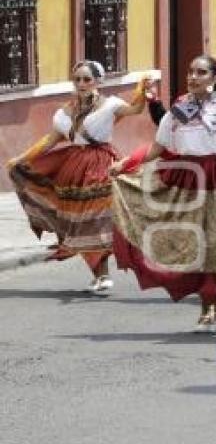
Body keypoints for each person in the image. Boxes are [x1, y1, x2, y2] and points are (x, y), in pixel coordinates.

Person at [110, 55, 216, 334]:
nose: (193, 77)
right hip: (184, 180)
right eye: (190, 72)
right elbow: (158, 147)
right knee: (190, 243)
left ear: (215, 78)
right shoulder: (177, 112)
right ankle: (205, 309)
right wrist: (125, 163)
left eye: (201, 72)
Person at [7, 60, 148, 292]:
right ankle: (100, 274)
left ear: (98, 81)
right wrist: (21, 158)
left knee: (97, 218)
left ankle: (105, 272)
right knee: (79, 222)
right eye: (78, 79)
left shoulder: (111, 105)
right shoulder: (64, 112)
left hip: (102, 164)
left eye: (87, 79)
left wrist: (142, 91)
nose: (81, 84)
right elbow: (49, 140)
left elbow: (135, 110)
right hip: (73, 168)